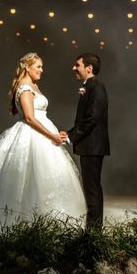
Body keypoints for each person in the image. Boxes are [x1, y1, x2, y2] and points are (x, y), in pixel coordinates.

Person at [0, 52, 86, 233]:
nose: (41, 70)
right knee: (23, 178)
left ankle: (49, 226)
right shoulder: (24, 87)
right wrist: (52, 136)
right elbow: (30, 118)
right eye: (38, 66)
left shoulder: (33, 86)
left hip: (41, 134)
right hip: (32, 134)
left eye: (41, 67)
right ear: (27, 67)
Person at [60, 53, 110, 229]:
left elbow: (92, 118)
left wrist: (71, 137)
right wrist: (68, 133)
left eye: (77, 65)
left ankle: (94, 232)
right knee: (91, 188)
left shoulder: (96, 87)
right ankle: (93, 230)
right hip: (90, 146)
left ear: (89, 68)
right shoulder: (90, 86)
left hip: (93, 147)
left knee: (92, 189)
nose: (74, 68)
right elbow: (86, 120)